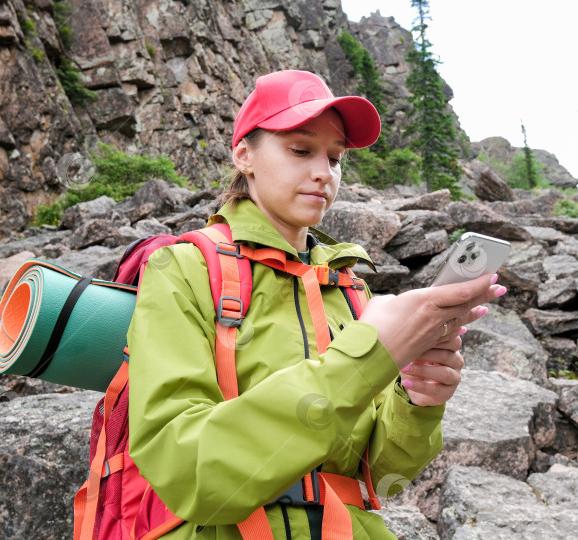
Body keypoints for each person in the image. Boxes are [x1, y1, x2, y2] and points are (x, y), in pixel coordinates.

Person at [127, 70, 506, 539]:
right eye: (301, 150)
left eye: (336, 157)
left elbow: (381, 474)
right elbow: (188, 470)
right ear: (243, 154)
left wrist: (418, 400)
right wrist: (367, 357)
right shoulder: (181, 268)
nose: (324, 172)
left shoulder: (348, 287)